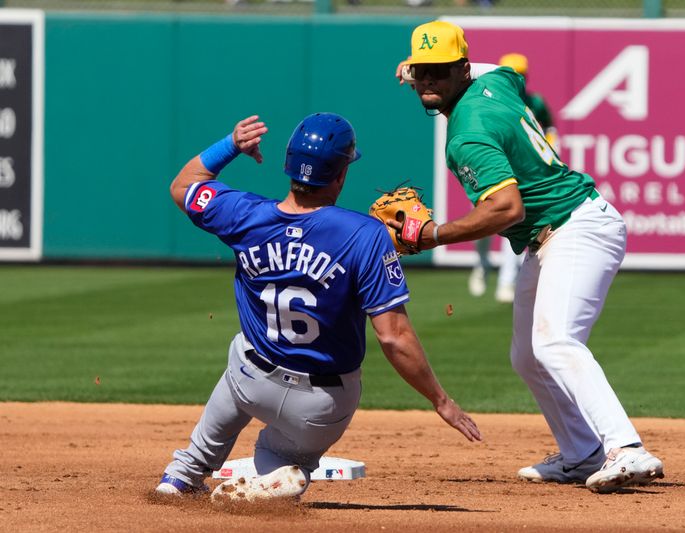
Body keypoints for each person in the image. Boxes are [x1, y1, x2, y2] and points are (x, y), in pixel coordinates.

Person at [393, 21, 663, 493]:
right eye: (421, 71)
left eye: (439, 71)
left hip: (575, 227)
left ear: (460, 70)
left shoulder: (468, 133)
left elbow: (505, 208)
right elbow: (504, 71)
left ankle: (627, 449)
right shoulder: (494, 81)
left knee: (557, 342)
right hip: (553, 234)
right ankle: (581, 453)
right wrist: (445, 66)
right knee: (527, 355)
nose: (428, 81)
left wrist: (432, 234)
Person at [155, 112, 481, 501]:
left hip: (251, 380)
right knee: (281, 459)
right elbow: (393, 338)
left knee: (241, 353)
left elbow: (183, 186)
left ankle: (183, 474)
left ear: (288, 165)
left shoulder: (243, 215)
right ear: (341, 174)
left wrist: (232, 144)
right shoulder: (365, 235)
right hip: (320, 404)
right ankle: (284, 474)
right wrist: (441, 401)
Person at [468, 52, 558, 303]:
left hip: (520, 174)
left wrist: (550, 147)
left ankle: (507, 281)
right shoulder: (487, 97)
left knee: (515, 221)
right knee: (483, 225)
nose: (517, 78)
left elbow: (549, 128)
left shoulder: (534, 102)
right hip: (490, 170)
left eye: (522, 74)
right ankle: (482, 263)